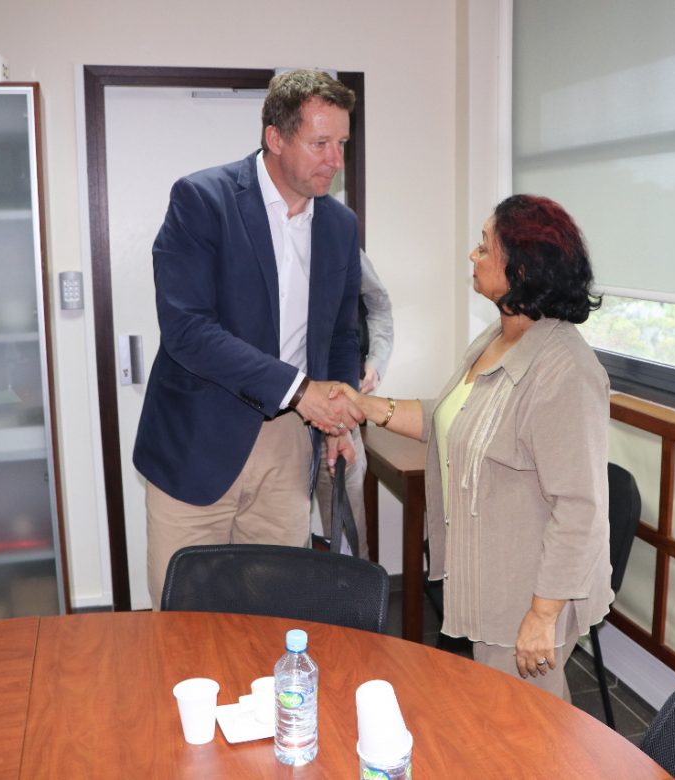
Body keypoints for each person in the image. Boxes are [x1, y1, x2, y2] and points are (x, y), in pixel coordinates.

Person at [331, 195, 613, 701]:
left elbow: (580, 508)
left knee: (526, 729)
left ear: (521, 267)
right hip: (490, 581)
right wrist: (366, 406)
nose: (473, 255)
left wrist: (542, 614)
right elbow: (452, 416)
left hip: (528, 594)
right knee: (501, 720)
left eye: (485, 246)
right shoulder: (498, 337)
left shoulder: (565, 370)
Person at [133, 69, 364, 607]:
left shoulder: (340, 225)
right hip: (199, 439)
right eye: (321, 143)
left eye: (342, 143)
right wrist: (302, 391)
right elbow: (188, 330)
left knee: (274, 608)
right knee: (186, 613)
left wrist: (340, 416)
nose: (336, 160)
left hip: (289, 440)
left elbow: (342, 335)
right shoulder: (202, 200)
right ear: (275, 137)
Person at [314, 249, 394, 558]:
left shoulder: (337, 236)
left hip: (340, 421)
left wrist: (377, 362)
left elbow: (378, 303)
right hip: (275, 424)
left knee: (350, 545)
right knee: (277, 544)